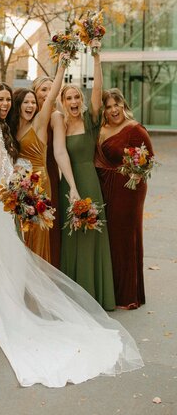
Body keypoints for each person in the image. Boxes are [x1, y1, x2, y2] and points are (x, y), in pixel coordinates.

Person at [0, 82, 143, 387]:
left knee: (6, 248)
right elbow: (2, 164)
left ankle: (4, 298)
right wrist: (20, 191)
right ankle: (5, 300)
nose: (7, 104)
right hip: (3, 192)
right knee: (6, 247)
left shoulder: (0, 125)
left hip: (6, 191)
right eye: (2, 99)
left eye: (9, 99)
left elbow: (11, 161)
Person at [52, 40, 115, 310]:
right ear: (63, 102)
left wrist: (97, 56)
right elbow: (60, 154)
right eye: (70, 98)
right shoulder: (59, 122)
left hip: (90, 180)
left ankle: (97, 295)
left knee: (93, 233)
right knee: (73, 237)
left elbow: (98, 90)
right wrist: (72, 188)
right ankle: (74, 299)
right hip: (70, 182)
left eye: (77, 97)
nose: (75, 101)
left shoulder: (90, 120)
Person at [95, 88, 154, 309]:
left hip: (129, 191)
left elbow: (148, 159)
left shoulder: (134, 129)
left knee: (125, 238)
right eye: (108, 106)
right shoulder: (101, 129)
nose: (113, 110)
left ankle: (128, 294)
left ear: (123, 105)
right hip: (104, 187)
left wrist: (136, 174)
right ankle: (110, 291)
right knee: (109, 239)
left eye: (116, 104)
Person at [11, 56, 66, 263]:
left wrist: (62, 66)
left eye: (33, 103)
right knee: (20, 234)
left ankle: (38, 284)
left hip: (39, 183)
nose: (30, 106)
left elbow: (51, 98)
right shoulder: (13, 127)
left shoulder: (40, 122)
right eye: (26, 102)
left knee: (37, 234)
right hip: (18, 185)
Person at [31, 75, 61, 267]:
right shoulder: (27, 114)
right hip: (27, 174)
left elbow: (60, 151)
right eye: (43, 89)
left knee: (49, 221)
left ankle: (51, 266)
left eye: (51, 89)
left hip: (48, 172)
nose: (47, 93)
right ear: (35, 92)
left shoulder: (55, 117)